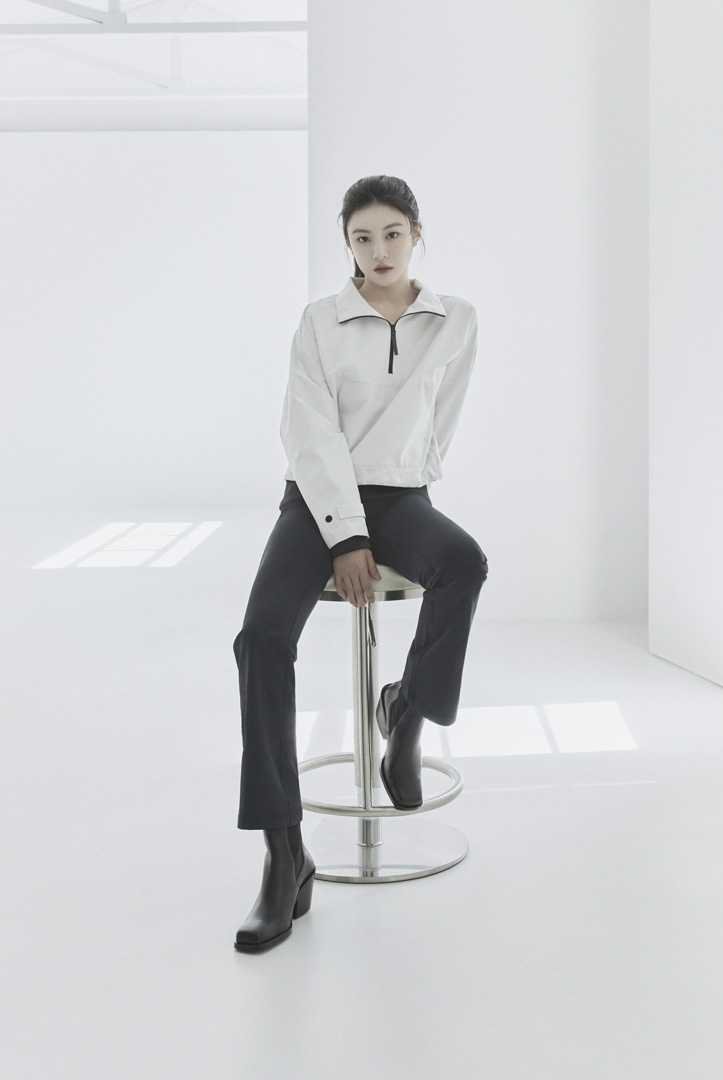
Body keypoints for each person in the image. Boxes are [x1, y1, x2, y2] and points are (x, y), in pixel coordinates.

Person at [232, 174, 488, 952]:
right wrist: (345, 536)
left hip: (398, 496)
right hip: (314, 501)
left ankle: (405, 713)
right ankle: (285, 853)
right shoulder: (321, 320)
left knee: (464, 562)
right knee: (260, 638)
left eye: (391, 234)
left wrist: (406, 485)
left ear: (416, 235)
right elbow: (306, 431)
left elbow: (441, 417)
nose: (377, 250)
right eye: (361, 237)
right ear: (347, 244)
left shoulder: (454, 318)